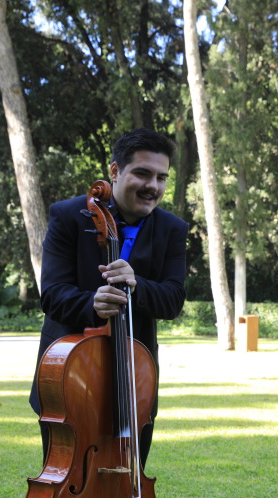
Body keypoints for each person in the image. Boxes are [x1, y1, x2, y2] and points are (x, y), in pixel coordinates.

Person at [30, 128, 188, 464]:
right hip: (69, 377)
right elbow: (53, 294)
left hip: (135, 380)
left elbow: (173, 300)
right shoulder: (69, 216)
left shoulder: (173, 229)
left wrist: (138, 285)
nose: (153, 187)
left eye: (162, 177)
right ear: (115, 171)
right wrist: (91, 303)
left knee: (130, 480)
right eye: (142, 173)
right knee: (68, 476)